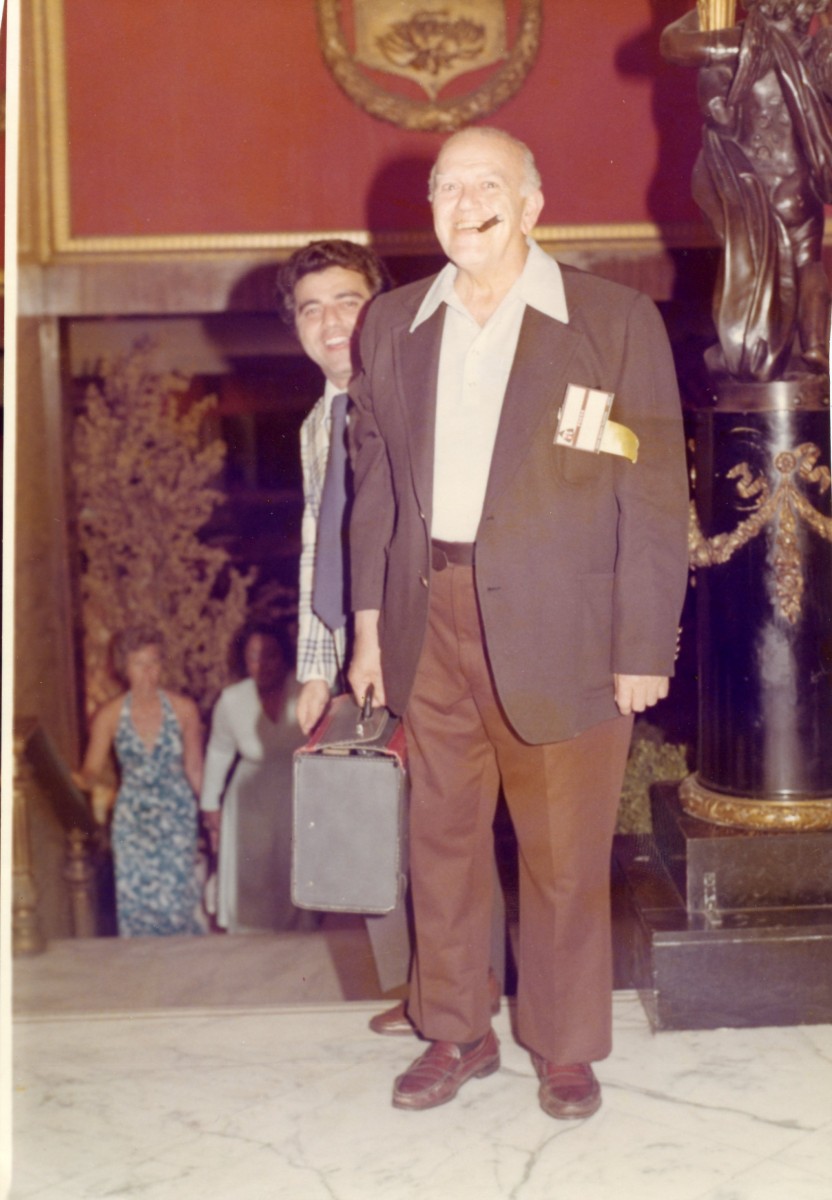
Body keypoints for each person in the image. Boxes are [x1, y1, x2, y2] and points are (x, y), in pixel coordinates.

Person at [347, 126, 690, 1118]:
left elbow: (651, 496)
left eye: (486, 185)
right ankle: (456, 1031)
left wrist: (641, 646)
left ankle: (565, 1045)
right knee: (440, 841)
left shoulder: (613, 320)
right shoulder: (394, 322)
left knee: (563, 854)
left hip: (568, 630)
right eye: (446, 187)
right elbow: (376, 487)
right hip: (427, 618)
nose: (464, 204)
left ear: (533, 205)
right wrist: (367, 626)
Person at [661, 0, 832, 380]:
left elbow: (674, 45)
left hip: (753, 184)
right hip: (800, 187)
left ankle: (752, 354)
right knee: (809, 263)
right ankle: (815, 344)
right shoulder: (816, 52)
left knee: (747, 269)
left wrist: (705, 11)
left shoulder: (745, 44)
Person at [75, 626, 205, 937]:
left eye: (154, 662)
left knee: (177, 906)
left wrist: (213, 816)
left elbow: (195, 769)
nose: (148, 672)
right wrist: (73, 780)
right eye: (139, 663)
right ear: (124, 667)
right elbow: (91, 770)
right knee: (136, 909)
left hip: (176, 817)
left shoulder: (184, 710)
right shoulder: (108, 715)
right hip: (132, 820)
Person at [200, 621, 311, 933]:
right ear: (243, 660)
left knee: (293, 866)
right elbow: (219, 751)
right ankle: (248, 937)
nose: (263, 665)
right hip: (248, 796)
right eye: (253, 657)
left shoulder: (305, 691)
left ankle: (297, 940)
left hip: (297, 791)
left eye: (271, 655)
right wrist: (210, 804)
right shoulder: (231, 700)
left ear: (284, 656)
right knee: (251, 869)